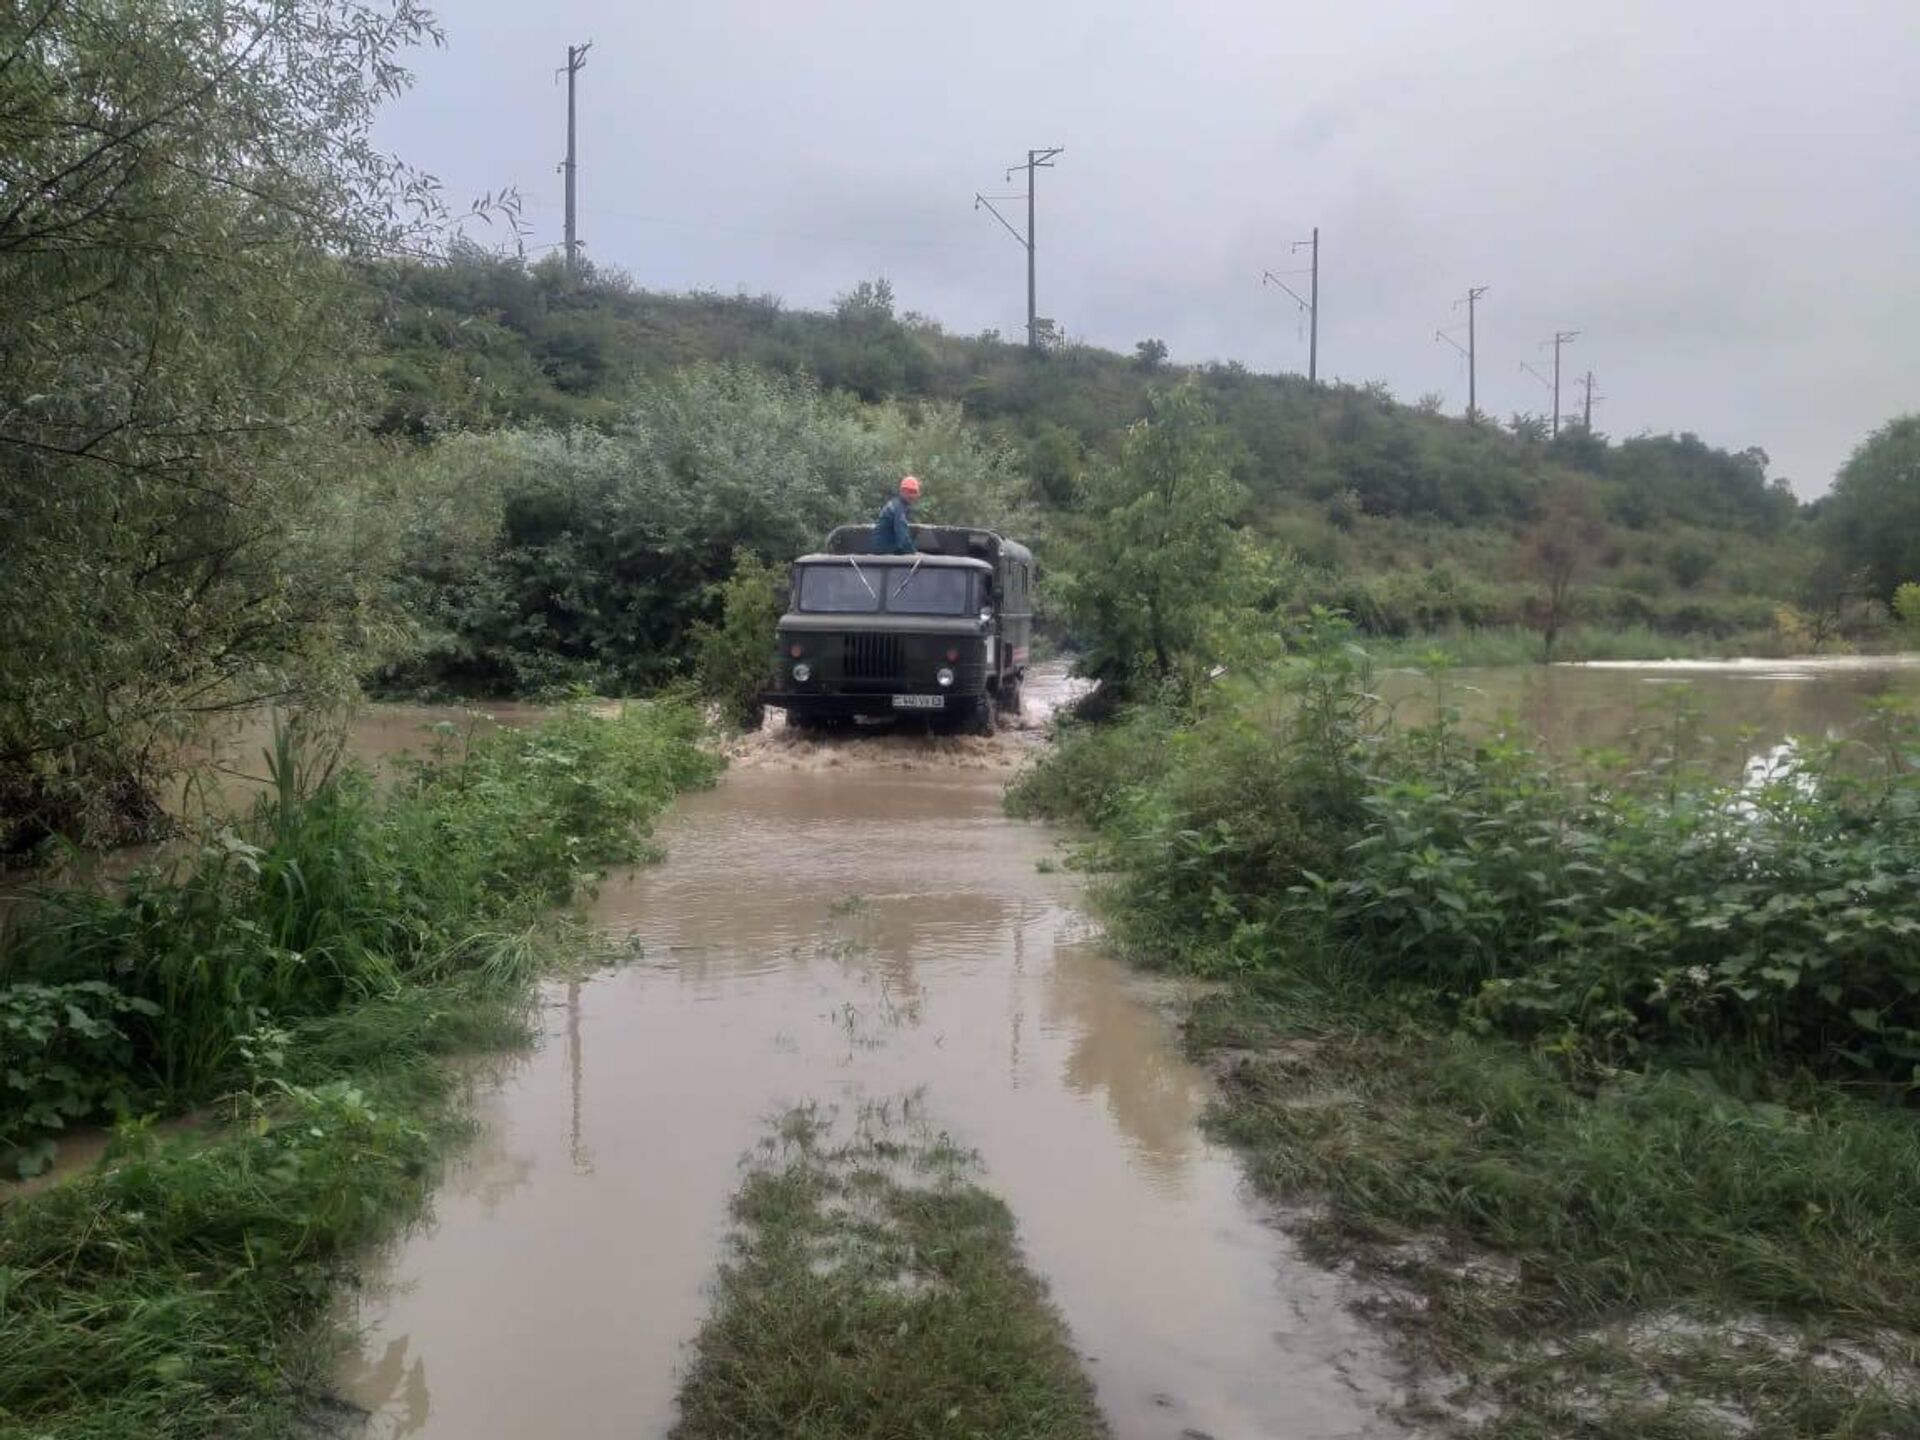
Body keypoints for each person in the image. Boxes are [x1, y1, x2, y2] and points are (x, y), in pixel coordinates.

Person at [872, 474, 921, 554]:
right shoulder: (898, 509)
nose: (912, 495)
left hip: (885, 550)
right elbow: (903, 536)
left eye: (914, 492)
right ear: (902, 491)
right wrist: (914, 554)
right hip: (885, 553)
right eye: (909, 492)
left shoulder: (896, 504)